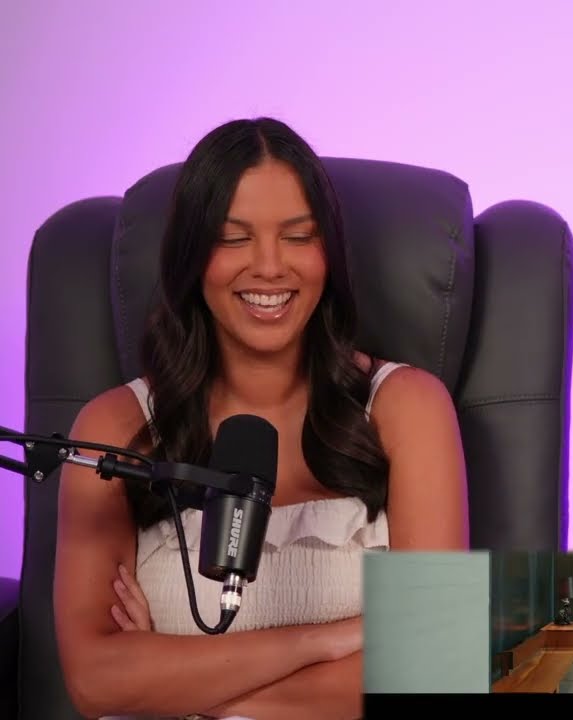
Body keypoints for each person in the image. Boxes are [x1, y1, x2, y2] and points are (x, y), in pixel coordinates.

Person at [53, 117, 470, 720]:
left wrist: (179, 683)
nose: (270, 267)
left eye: (298, 236)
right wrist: (322, 641)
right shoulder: (115, 428)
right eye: (233, 238)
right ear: (193, 257)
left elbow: (432, 668)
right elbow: (96, 680)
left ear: (329, 253)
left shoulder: (407, 408)